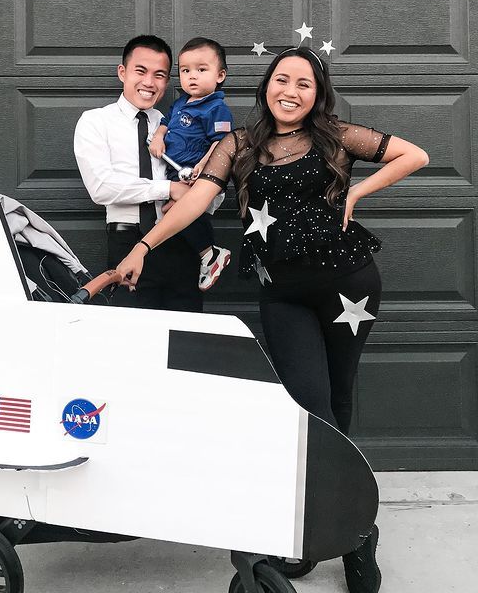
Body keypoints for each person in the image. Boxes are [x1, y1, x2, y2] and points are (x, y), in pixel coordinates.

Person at [115, 45, 429, 593]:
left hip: (347, 286)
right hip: (282, 295)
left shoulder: (336, 136)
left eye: (304, 84)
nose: (291, 91)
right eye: (282, 79)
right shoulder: (236, 145)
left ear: (317, 94)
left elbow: (414, 155)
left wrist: (357, 189)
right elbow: (192, 203)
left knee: (339, 403)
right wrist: (143, 244)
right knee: (309, 410)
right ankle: (317, 530)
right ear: (266, 86)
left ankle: (356, 533)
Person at [73, 34, 203, 312]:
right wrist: (168, 189)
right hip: (127, 242)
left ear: (167, 82)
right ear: (122, 72)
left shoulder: (175, 124)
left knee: (186, 337)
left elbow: (200, 184)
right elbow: (101, 188)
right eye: (140, 71)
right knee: (134, 341)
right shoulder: (96, 121)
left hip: (180, 241)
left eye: (159, 75)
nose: (149, 82)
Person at [149, 37, 234, 291]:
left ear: (220, 75)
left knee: (176, 212)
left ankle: (210, 253)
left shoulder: (216, 109)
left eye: (201, 69)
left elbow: (221, 144)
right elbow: (166, 121)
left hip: (201, 177)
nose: (192, 77)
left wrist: (202, 168)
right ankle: (206, 253)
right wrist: (159, 136)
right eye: (185, 71)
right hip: (177, 174)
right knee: (172, 213)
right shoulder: (181, 102)